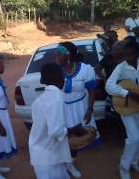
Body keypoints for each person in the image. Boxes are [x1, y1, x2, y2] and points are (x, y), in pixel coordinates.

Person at [55, 42, 100, 178]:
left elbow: (92, 90)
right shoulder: (56, 71)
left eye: (58, 53)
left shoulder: (85, 70)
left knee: (76, 139)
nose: (55, 56)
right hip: (62, 110)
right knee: (64, 139)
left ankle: (69, 164)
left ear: (67, 55)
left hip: (80, 109)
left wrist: (90, 109)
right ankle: (66, 163)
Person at [105, 41, 139, 179]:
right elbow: (109, 85)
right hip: (125, 107)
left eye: (131, 55)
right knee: (134, 137)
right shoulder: (120, 67)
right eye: (126, 55)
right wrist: (127, 93)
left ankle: (134, 162)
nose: (128, 58)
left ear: (138, 54)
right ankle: (124, 167)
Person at [29, 63, 72, 179]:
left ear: (42, 80)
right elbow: (55, 131)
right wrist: (72, 130)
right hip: (47, 157)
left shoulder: (39, 100)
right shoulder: (56, 99)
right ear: (61, 79)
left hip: (42, 152)